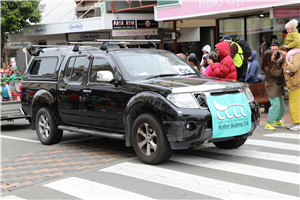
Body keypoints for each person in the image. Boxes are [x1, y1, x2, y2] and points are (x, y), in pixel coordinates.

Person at [261, 50, 286, 130]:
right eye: (272, 55)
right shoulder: (267, 67)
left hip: (277, 87)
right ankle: (268, 123)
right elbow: (278, 73)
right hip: (272, 88)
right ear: (268, 57)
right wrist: (284, 68)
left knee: (281, 106)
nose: (274, 56)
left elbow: (279, 67)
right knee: (275, 106)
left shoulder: (272, 64)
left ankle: (277, 120)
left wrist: (281, 57)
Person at [278, 46, 300, 131]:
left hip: (296, 84)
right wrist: (283, 59)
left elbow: (294, 68)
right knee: (292, 105)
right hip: (292, 84)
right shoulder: (289, 56)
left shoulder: (295, 56)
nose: (281, 55)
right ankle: (295, 122)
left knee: (295, 105)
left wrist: (286, 60)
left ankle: (298, 123)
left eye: (281, 53)